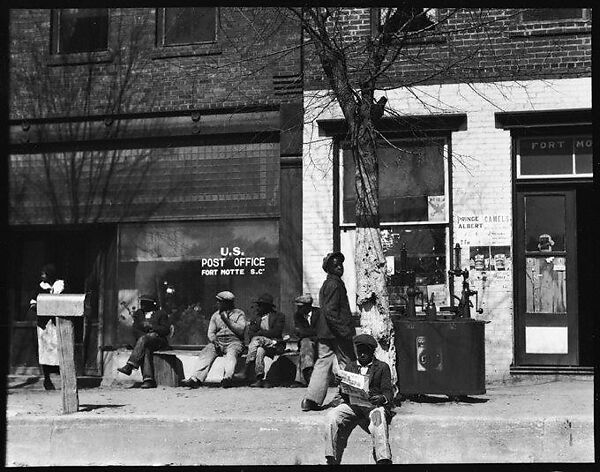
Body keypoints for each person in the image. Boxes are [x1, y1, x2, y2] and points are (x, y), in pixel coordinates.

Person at [324, 334, 394, 465]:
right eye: (359, 351)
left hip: (372, 407)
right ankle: (330, 457)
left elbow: (388, 392)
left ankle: (383, 459)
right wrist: (341, 383)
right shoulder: (350, 366)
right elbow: (344, 395)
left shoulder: (382, 367)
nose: (362, 355)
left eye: (365, 352)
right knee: (331, 416)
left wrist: (381, 398)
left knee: (378, 420)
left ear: (372, 352)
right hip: (353, 405)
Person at [301, 251, 356, 411]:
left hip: (325, 332)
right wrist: (344, 331)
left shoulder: (327, 284)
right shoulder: (335, 284)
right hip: (337, 331)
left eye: (341, 264)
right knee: (349, 362)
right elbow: (331, 311)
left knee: (322, 362)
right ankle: (348, 397)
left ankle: (310, 400)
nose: (339, 267)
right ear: (328, 268)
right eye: (335, 265)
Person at [180, 291, 247, 388]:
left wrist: (226, 320)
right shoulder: (215, 315)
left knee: (231, 354)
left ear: (227, 303)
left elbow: (240, 331)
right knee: (206, 352)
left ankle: (227, 378)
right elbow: (211, 332)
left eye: (220, 302)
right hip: (218, 341)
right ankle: (196, 379)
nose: (218, 304)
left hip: (234, 341)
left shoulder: (239, 314)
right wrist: (214, 341)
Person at [117, 295, 171, 388]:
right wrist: (145, 336)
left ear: (151, 304)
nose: (142, 305)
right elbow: (135, 329)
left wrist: (152, 327)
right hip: (144, 341)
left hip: (158, 341)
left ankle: (130, 366)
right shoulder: (139, 313)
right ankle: (148, 380)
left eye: (145, 303)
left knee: (144, 341)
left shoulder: (160, 313)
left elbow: (166, 330)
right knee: (145, 348)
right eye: (141, 303)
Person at [29, 263, 64, 390]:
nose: (42, 276)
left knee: (58, 349)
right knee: (45, 351)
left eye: (44, 273)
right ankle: (47, 379)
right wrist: (38, 306)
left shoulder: (60, 285)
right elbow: (33, 302)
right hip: (44, 325)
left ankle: (61, 378)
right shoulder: (40, 287)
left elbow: (65, 302)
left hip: (58, 323)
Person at [244, 292, 285, 388]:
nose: (258, 308)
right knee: (259, 350)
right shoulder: (256, 317)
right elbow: (251, 334)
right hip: (260, 345)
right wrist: (260, 335)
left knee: (257, 339)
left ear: (268, 306)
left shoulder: (279, 316)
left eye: (261, 305)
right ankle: (259, 378)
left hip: (275, 344)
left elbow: (276, 332)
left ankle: (246, 368)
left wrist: (260, 334)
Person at [290, 294, 320, 388]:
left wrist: (307, 333)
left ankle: (302, 378)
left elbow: (321, 330)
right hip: (306, 341)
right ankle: (308, 371)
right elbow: (299, 332)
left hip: (320, 341)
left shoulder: (319, 313)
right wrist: (310, 333)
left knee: (305, 344)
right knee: (306, 343)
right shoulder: (297, 316)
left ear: (308, 306)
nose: (298, 309)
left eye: (301, 307)